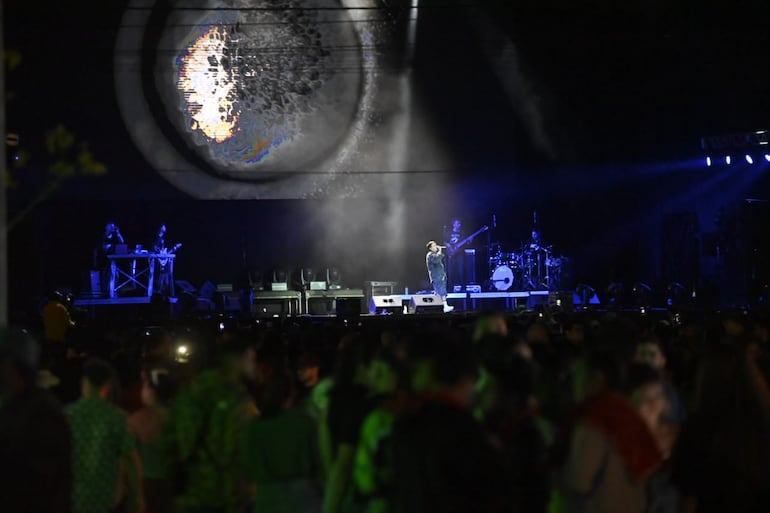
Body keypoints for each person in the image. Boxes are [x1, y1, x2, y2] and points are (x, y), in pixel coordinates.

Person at [425, 240, 453, 313]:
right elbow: (436, 260)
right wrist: (440, 251)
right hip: (437, 277)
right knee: (441, 291)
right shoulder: (430, 255)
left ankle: (442, 306)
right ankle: (445, 306)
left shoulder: (433, 254)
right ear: (430, 248)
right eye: (434, 245)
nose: (436, 246)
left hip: (439, 276)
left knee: (440, 292)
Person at [445, 219, 464, 291]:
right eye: (458, 223)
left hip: (460, 254)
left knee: (461, 270)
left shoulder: (462, 233)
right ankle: (450, 288)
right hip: (451, 253)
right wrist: (449, 246)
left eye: (460, 223)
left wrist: (469, 241)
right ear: (454, 224)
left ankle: (462, 287)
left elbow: (466, 241)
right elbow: (445, 242)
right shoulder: (448, 232)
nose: (459, 225)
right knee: (450, 271)